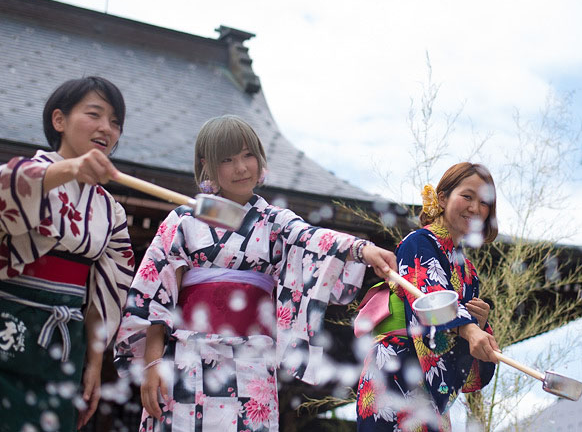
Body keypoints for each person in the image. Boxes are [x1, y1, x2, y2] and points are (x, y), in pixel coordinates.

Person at [114, 114, 397, 432]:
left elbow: (310, 238)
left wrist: (361, 249)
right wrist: (152, 363)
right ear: (207, 164)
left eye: (248, 155)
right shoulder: (183, 220)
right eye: (228, 159)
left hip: (253, 361)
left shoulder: (275, 222)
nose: (241, 167)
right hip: (187, 357)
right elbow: (157, 298)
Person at [0, 76, 134, 431]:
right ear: (59, 120)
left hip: (64, 346)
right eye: (95, 114)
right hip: (8, 327)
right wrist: (70, 169)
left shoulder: (112, 212)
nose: (107, 128)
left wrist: (92, 361)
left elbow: (108, 294)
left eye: (116, 122)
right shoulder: (24, 176)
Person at [355, 162, 499, 432]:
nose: (475, 208)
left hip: (431, 390)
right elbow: (429, 299)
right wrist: (468, 328)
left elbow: (466, 363)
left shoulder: (469, 272)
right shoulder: (418, 242)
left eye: (484, 202)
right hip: (395, 369)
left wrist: (480, 327)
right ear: (442, 198)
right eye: (467, 196)